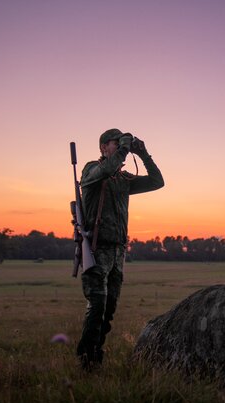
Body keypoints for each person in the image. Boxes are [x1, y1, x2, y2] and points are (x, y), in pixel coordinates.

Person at [76, 128, 164, 370]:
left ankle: (95, 353)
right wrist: (124, 150)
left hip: (117, 251)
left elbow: (158, 182)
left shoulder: (123, 180)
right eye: (116, 143)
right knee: (97, 306)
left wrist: (144, 154)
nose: (121, 147)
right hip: (96, 248)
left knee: (109, 310)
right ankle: (87, 359)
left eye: (121, 144)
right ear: (104, 147)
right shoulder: (92, 170)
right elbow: (105, 170)